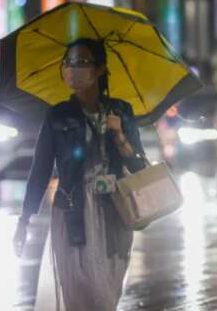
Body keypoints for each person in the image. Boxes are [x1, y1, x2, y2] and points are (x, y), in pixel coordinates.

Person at [13, 38, 147, 310]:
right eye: (69, 63)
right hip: (72, 212)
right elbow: (40, 170)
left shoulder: (121, 111)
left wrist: (120, 136)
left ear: (100, 70)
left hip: (114, 213)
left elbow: (139, 167)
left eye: (82, 62)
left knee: (106, 295)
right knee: (81, 293)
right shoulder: (58, 116)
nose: (73, 69)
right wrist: (24, 218)